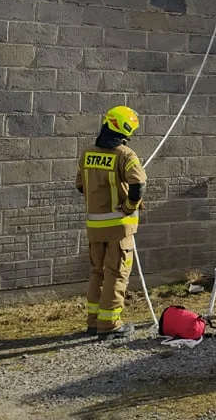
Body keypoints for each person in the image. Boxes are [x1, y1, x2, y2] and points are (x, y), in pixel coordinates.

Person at [76, 106, 147, 340]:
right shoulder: (125, 155)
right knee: (116, 275)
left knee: (97, 273)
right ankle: (110, 326)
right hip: (118, 229)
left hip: (94, 228)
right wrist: (128, 206)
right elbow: (138, 186)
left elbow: (80, 186)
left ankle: (93, 322)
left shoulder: (87, 154)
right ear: (125, 129)